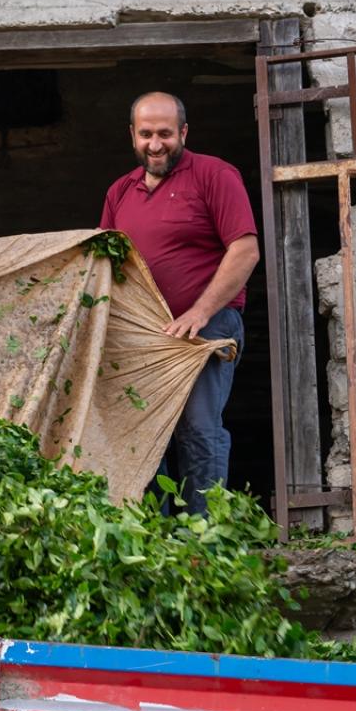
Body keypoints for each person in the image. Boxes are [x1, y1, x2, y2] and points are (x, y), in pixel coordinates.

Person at [99, 91, 260, 515]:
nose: (156, 144)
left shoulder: (214, 175)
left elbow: (244, 251)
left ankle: (202, 540)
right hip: (145, 337)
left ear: (183, 133)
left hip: (205, 330)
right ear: (132, 135)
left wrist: (200, 312)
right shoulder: (120, 192)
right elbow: (106, 266)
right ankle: (155, 540)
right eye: (147, 134)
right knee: (142, 433)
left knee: (198, 430)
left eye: (166, 134)